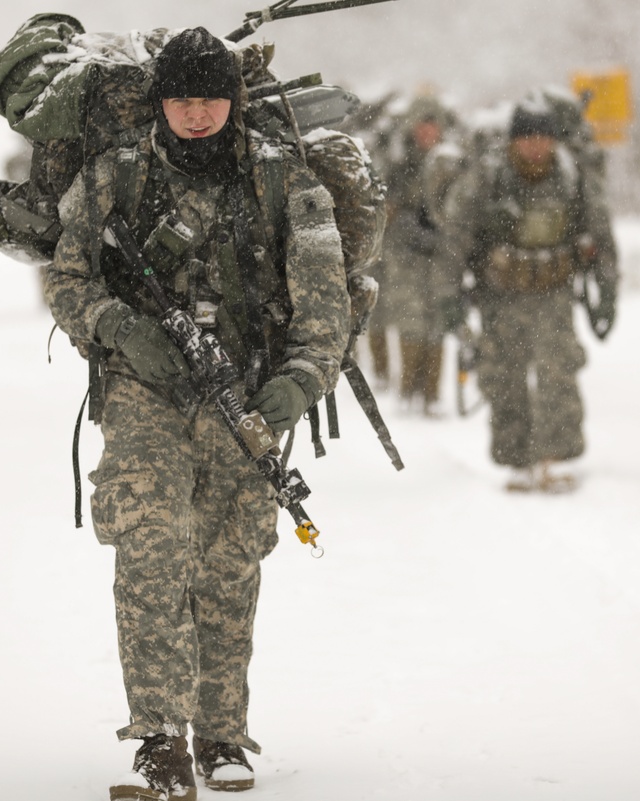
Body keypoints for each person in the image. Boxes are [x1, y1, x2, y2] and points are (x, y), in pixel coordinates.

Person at [42, 28, 350, 800]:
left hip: (245, 392)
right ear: (161, 101)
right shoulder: (113, 176)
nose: (198, 113)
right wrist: (121, 330)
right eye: (182, 98)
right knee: (153, 550)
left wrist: (296, 384)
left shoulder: (284, 182)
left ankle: (219, 732)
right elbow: (68, 277)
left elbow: (325, 306)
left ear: (233, 101)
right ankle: (156, 739)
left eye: (212, 97)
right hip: (147, 395)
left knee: (228, 561)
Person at [442, 99, 618, 492]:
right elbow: (455, 239)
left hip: (554, 293)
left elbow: (601, 236)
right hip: (499, 296)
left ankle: (554, 458)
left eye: (543, 137)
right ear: (513, 141)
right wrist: (448, 298)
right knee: (504, 376)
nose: (536, 146)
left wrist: (606, 291)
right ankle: (517, 460)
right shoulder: (487, 179)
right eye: (527, 138)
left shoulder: (572, 177)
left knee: (559, 372)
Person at [380, 94, 460, 415]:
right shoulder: (400, 163)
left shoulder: (452, 162)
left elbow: (461, 206)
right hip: (405, 253)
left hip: (440, 253)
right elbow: (386, 203)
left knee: (437, 321)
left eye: (433, 125)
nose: (428, 132)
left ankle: (431, 394)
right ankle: (408, 389)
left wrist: (443, 232)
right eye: (423, 125)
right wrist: (405, 224)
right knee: (410, 319)